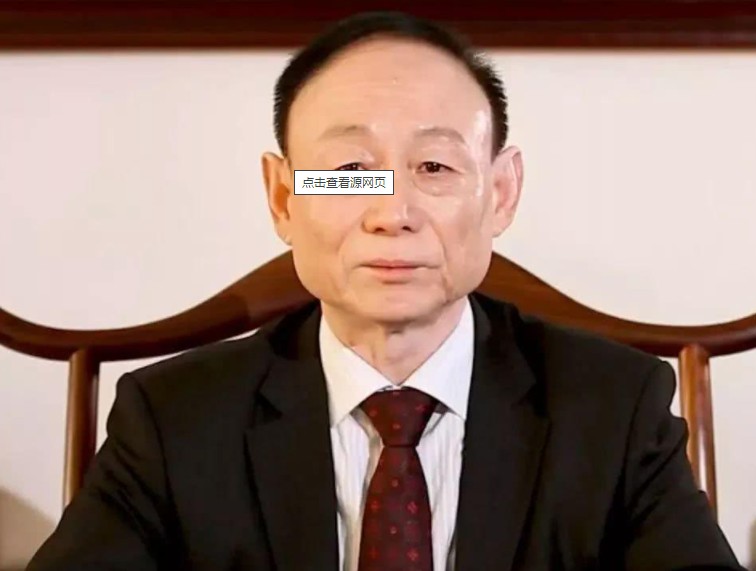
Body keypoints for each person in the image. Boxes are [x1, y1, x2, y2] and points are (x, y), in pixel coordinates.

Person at [27, 10, 743, 571]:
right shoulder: (173, 420)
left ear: (500, 193)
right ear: (283, 197)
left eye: (434, 167)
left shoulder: (615, 410)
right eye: (348, 172)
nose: (392, 212)